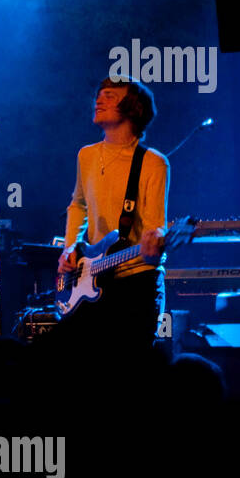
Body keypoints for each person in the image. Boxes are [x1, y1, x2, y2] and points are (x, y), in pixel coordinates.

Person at [54, 77, 169, 351]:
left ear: (132, 107)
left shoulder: (153, 162)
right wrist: (70, 247)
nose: (99, 100)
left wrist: (156, 243)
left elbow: (155, 227)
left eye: (109, 95)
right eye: (99, 95)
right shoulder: (86, 155)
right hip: (89, 277)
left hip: (136, 281)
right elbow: (77, 204)